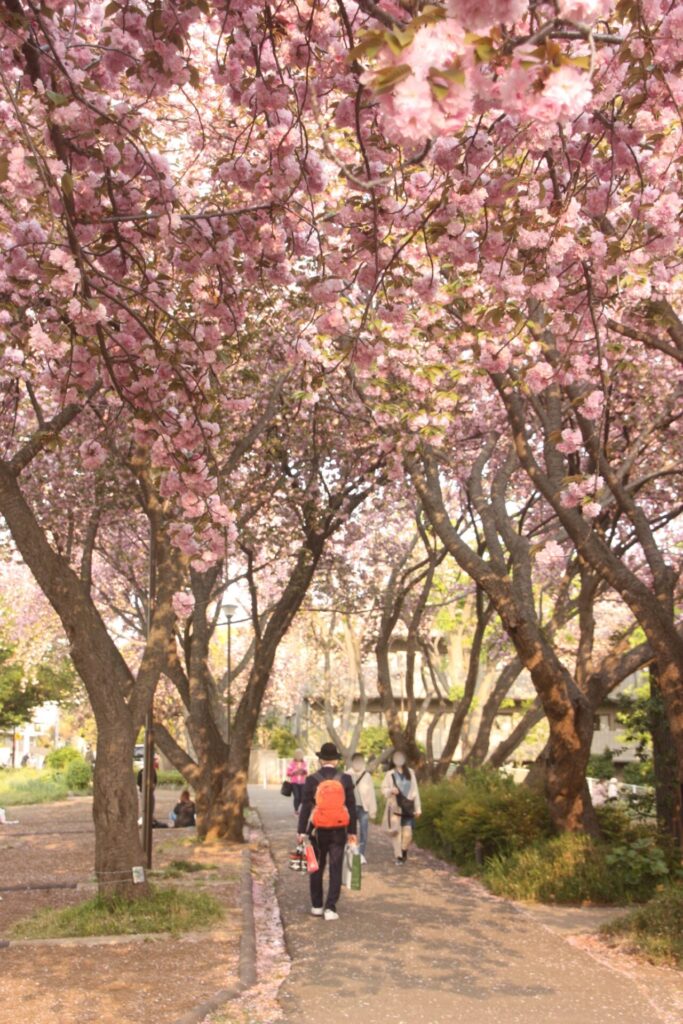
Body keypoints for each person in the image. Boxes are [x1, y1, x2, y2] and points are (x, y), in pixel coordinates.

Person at [297, 741, 357, 921]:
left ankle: (316, 905)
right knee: (336, 867)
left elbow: (306, 807)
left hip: (317, 830)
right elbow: (352, 807)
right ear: (336, 761)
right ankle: (330, 907)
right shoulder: (345, 779)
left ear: (321, 760)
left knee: (316, 866)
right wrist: (352, 832)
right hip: (339, 830)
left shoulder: (312, 779)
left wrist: (302, 832)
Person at [381, 751, 422, 865]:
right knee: (396, 833)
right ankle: (399, 856)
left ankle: (404, 851)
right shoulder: (389, 774)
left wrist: (418, 808)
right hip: (395, 807)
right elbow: (383, 789)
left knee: (408, 834)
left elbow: (416, 791)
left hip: (408, 807)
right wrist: (390, 790)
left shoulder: (411, 773)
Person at [348, 752, 376, 864]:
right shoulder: (347, 774)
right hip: (351, 807)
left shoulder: (367, 775)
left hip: (363, 808)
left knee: (364, 832)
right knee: (351, 831)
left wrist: (373, 810)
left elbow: (371, 793)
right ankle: (352, 853)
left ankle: (361, 855)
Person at [286, 748, 308, 814]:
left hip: (302, 782)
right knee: (297, 796)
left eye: (300, 754)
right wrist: (294, 771)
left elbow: (306, 772)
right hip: (294, 782)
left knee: (302, 797)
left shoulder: (304, 763)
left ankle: (299, 808)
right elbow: (288, 773)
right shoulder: (291, 763)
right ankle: (296, 809)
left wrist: (303, 771)